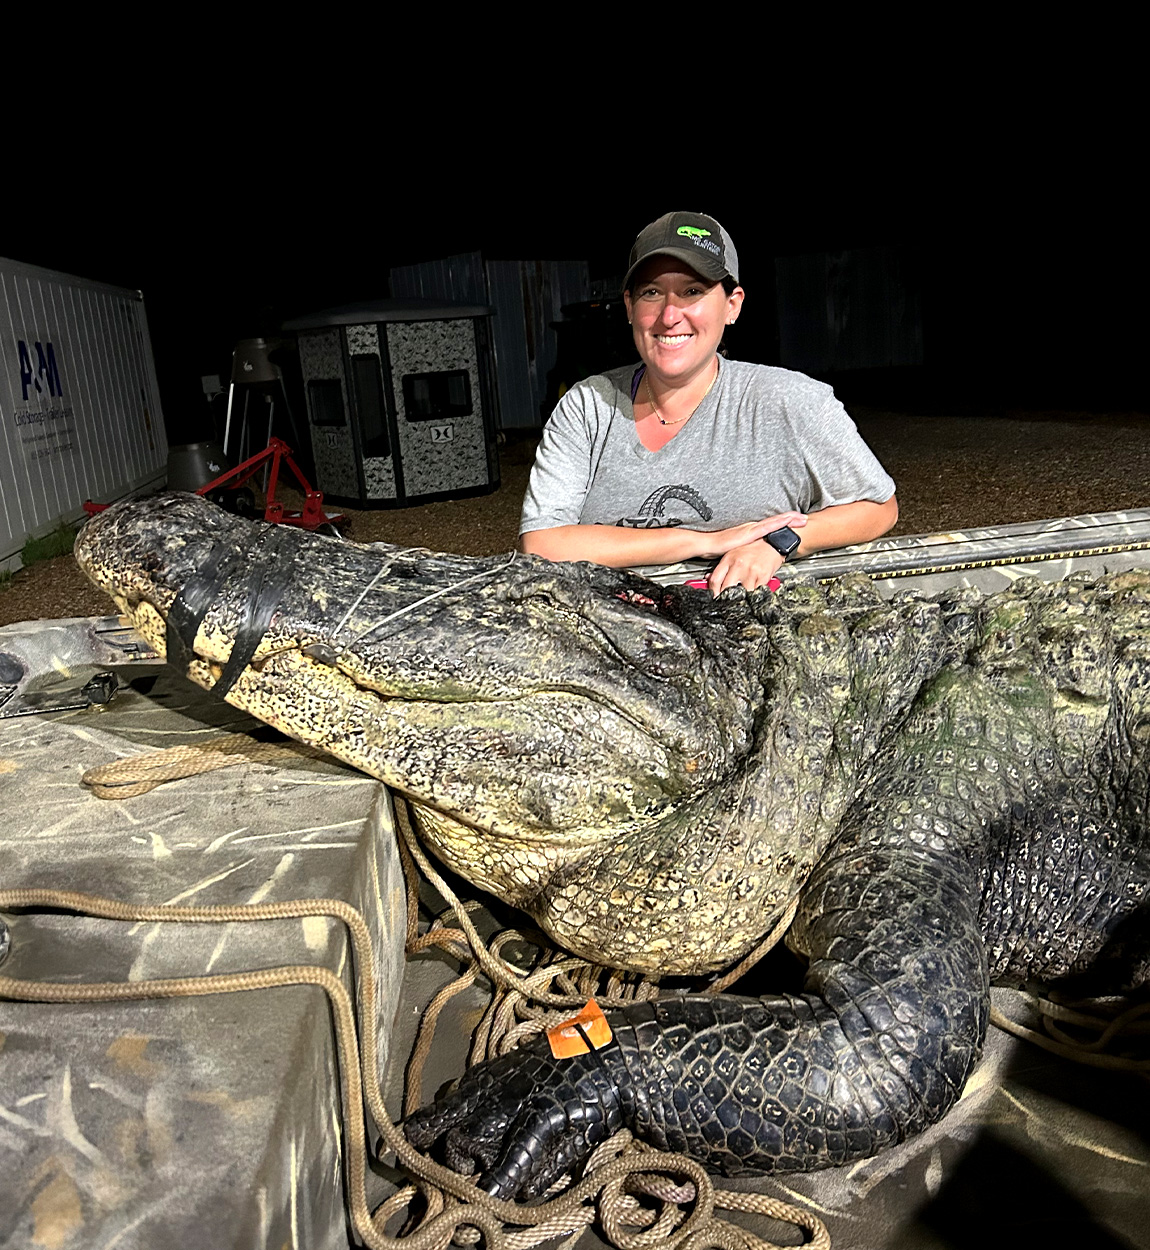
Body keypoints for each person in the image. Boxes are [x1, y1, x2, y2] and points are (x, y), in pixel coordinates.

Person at [519, 211, 898, 594]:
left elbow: (878, 507)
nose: (669, 315)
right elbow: (543, 544)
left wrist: (777, 543)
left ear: (732, 305)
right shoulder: (587, 407)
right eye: (652, 292)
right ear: (630, 306)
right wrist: (705, 541)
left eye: (692, 291)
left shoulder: (789, 400)